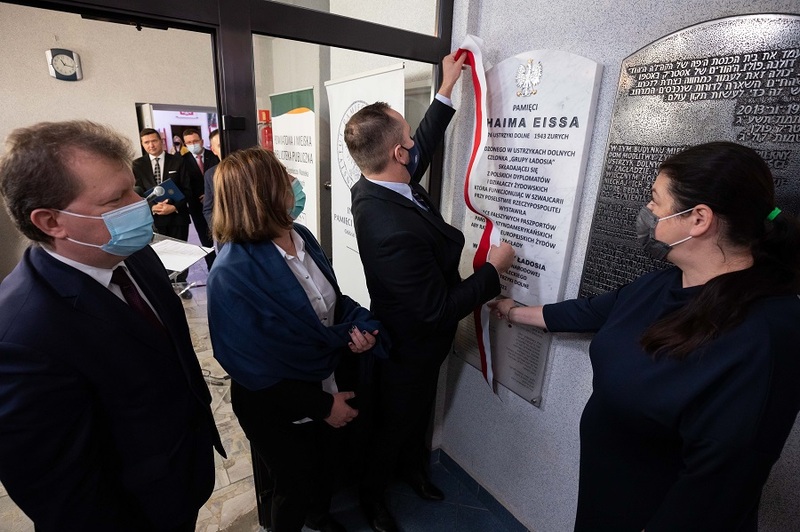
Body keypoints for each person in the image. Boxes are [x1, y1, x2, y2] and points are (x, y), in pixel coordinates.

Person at [490, 141, 800, 531]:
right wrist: (513, 310)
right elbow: (594, 310)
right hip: (608, 501)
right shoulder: (664, 282)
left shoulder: (767, 333)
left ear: (698, 219)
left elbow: (716, 491)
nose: (648, 211)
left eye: (656, 200)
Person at [0, 120, 225, 531]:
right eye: (116, 198)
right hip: (132, 512)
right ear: (51, 222)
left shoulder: (135, 254)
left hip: (183, 472)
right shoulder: (21, 336)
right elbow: (60, 489)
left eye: (132, 188)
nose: (140, 203)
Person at [344, 51, 515, 532]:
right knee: (394, 423)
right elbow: (433, 312)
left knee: (415, 414)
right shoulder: (385, 222)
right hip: (409, 346)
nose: (412, 146)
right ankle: (373, 498)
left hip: (421, 346)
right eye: (405, 138)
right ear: (397, 155)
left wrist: (447, 88)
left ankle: (412, 469)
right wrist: (492, 273)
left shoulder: (380, 183)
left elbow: (420, 143)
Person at [207, 147, 389, 532]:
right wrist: (324, 405)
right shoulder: (232, 271)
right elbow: (252, 367)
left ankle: (320, 520)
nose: (295, 182)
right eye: (284, 175)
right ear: (263, 194)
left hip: (325, 378)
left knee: (322, 468)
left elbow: (332, 303)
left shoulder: (301, 235)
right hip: (277, 403)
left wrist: (360, 328)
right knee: (293, 485)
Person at [132, 127, 193, 296]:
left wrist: (174, 206)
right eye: (146, 142)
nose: (151, 145)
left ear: (161, 141)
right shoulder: (137, 165)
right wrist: (151, 207)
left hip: (177, 215)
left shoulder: (178, 161)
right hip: (154, 217)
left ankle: (181, 284)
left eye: (154, 141)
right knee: (159, 254)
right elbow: (135, 192)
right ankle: (165, 286)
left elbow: (188, 190)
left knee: (180, 251)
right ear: (143, 144)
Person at [182, 127, 218, 268]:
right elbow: (184, 183)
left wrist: (209, 194)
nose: (193, 144)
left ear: (202, 141)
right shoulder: (182, 161)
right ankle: (212, 268)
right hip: (196, 206)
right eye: (189, 142)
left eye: (195, 141)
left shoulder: (214, 155)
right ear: (185, 144)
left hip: (217, 203)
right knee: (205, 240)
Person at [201, 128, 221, 229]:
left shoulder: (249, 170)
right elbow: (208, 209)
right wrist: (218, 229)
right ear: (214, 150)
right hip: (225, 236)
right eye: (219, 146)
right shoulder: (210, 174)